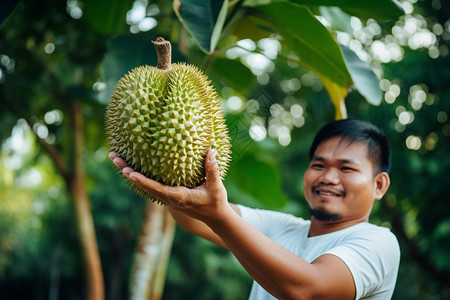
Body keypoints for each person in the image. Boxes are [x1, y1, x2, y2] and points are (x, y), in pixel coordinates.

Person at [109, 118, 400, 300]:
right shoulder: (283, 228)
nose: (328, 177)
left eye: (346, 168)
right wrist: (163, 171)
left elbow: (309, 291)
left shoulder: (379, 242)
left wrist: (218, 213)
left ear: (379, 185)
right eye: (318, 165)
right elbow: (197, 219)